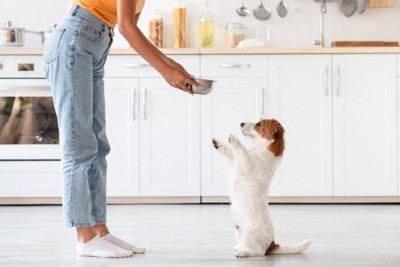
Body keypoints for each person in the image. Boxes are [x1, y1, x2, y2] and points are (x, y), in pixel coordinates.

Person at [43, 0, 200, 258]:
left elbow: (132, 31)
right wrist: (165, 71)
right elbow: (127, 27)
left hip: (92, 45)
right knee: (79, 145)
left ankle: (100, 231)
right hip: (74, 42)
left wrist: (171, 65)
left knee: (98, 145)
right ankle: (84, 237)